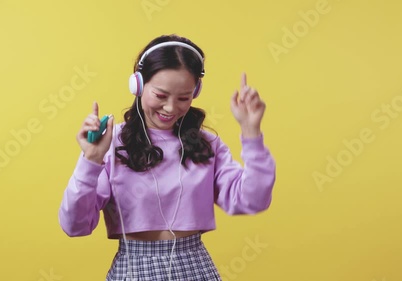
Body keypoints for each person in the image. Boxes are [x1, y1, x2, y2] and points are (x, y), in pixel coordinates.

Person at [58, 34, 276, 281]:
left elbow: (254, 200)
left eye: (183, 98)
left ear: (195, 92)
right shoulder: (110, 143)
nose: (171, 108)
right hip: (133, 267)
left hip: (194, 266)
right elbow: (74, 226)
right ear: (138, 85)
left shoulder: (205, 145)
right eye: (161, 95)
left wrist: (251, 133)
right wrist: (91, 160)